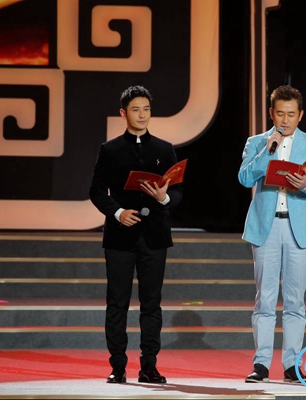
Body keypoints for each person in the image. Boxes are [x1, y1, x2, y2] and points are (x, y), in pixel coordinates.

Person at [89, 85, 183, 384]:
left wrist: (164, 198)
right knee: (117, 302)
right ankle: (118, 365)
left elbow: (178, 193)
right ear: (123, 113)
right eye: (135, 109)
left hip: (155, 236)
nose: (142, 115)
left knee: (151, 303)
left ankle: (149, 366)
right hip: (120, 236)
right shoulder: (110, 149)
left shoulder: (165, 149)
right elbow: (95, 191)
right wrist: (118, 212)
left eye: (146, 109)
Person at [238, 85, 306, 384]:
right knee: (264, 299)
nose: (285, 120)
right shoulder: (257, 142)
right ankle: (261, 364)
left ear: (300, 115)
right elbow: (244, 178)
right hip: (266, 226)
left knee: (294, 301)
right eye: (280, 113)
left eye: (291, 114)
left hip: (297, 227)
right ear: (271, 113)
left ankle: (292, 365)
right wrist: (267, 151)